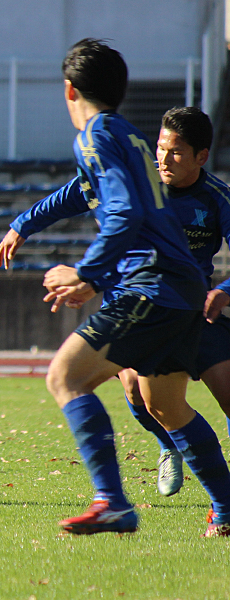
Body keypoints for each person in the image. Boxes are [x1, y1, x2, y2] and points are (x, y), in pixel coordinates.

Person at [0, 39, 230, 537]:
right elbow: (81, 194)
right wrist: (24, 224)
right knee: (165, 404)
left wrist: (87, 274)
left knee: (65, 378)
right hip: (183, 288)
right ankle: (228, 512)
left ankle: (112, 502)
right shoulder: (128, 136)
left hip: (152, 286)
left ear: (68, 89)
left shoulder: (97, 135)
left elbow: (123, 212)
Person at [117, 108, 230, 499]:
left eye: (176, 152)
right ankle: (169, 444)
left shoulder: (217, 198)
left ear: (201, 156)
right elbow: (78, 193)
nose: (163, 160)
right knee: (134, 389)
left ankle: (223, 494)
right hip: (145, 308)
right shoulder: (140, 184)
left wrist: (226, 288)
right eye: (160, 149)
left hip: (196, 312)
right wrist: (22, 225)